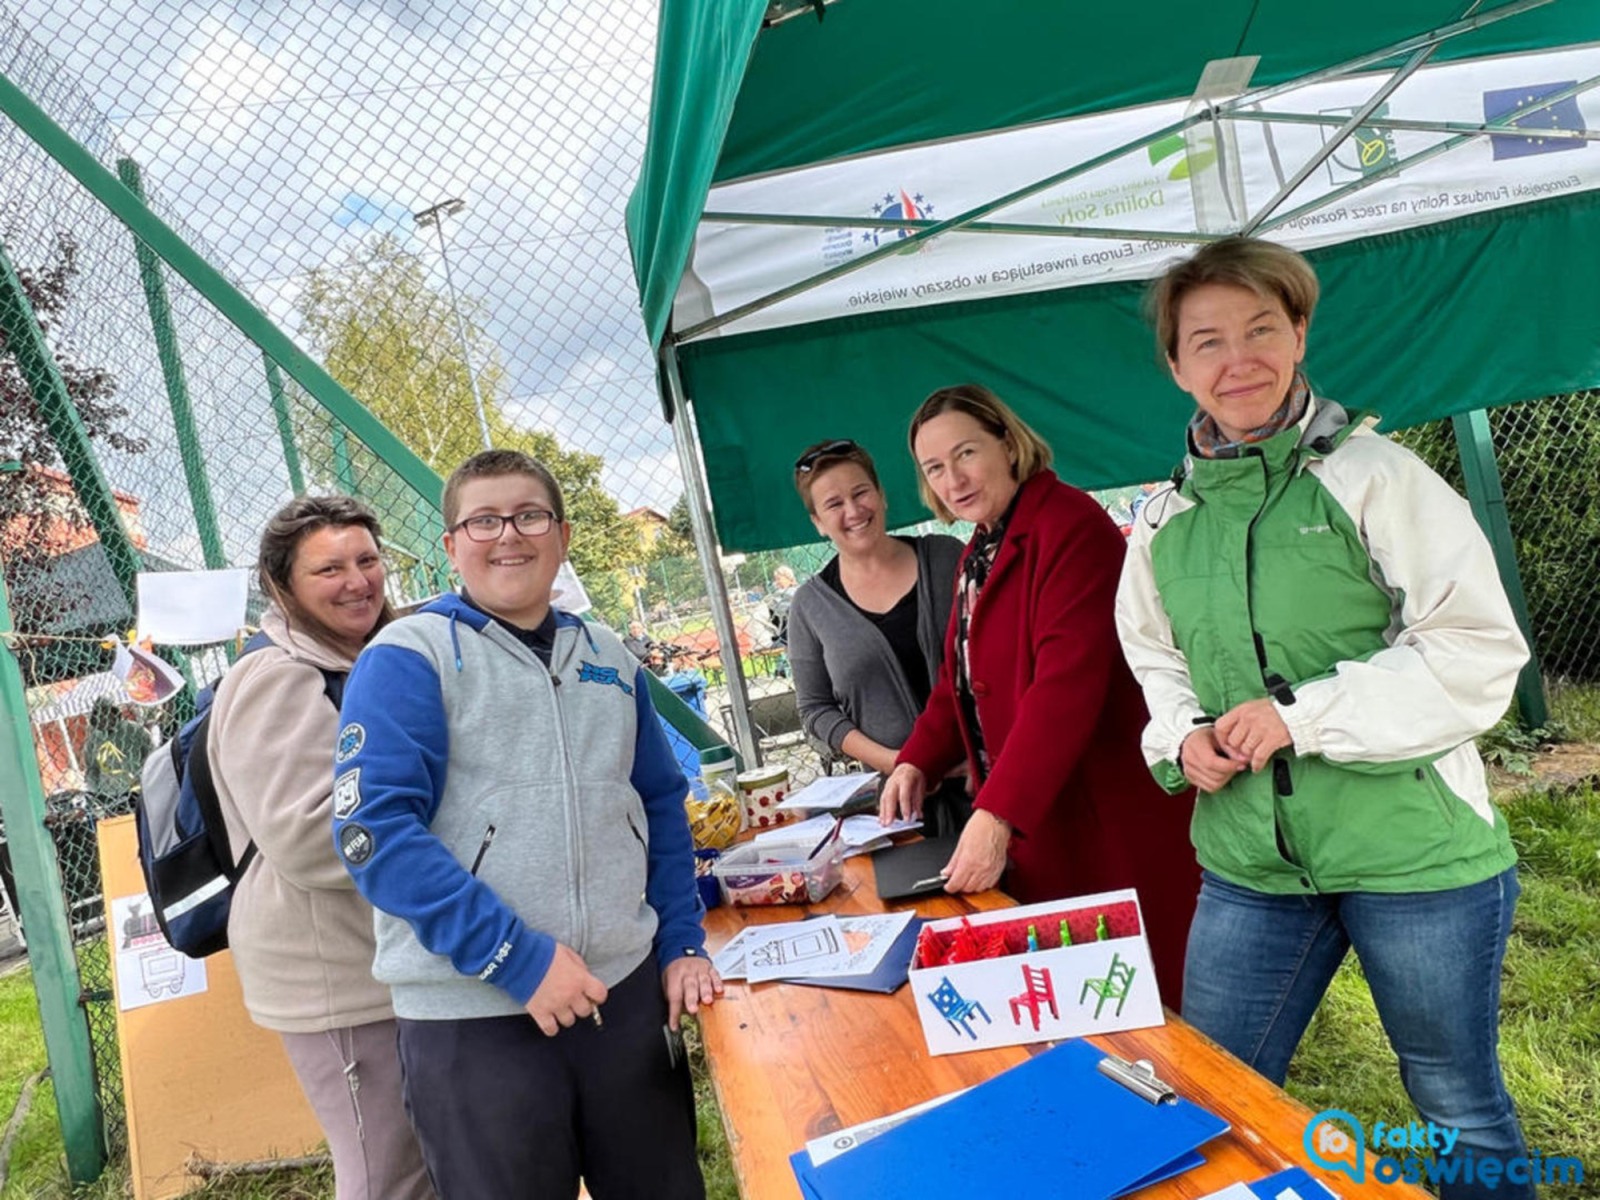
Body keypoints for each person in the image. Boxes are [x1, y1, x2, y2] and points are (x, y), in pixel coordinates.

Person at [1116, 236, 1533, 1200]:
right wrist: (1180, 736)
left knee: (1457, 1106)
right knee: (1213, 1094)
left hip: (1415, 855)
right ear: (1176, 366)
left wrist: (1304, 715)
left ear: (1300, 334)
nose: (1239, 360)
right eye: (1207, 340)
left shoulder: (1380, 478)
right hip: (1250, 865)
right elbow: (1154, 656)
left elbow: (1477, 651)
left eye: (1263, 329)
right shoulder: (1163, 521)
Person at [332, 449, 719, 1200]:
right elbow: (373, 835)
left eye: (529, 515)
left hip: (622, 998)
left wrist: (679, 942)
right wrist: (515, 957)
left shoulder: (608, 656)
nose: (508, 535)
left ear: (563, 535)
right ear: (451, 545)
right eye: (483, 519)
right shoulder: (409, 657)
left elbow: (661, 806)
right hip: (476, 1018)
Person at [879, 386, 1200, 1000]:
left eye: (966, 453)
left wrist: (997, 813)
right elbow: (959, 681)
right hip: (1047, 819)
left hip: (1102, 813)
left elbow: (1064, 687)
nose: (954, 478)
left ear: (1007, 441)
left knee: (1148, 997)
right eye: (934, 468)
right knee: (1080, 1001)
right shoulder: (983, 545)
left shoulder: (1070, 526)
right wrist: (915, 759)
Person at [210, 495, 432, 1200]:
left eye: (367, 560)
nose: (358, 580)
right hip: (336, 978)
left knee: (429, 1159)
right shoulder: (277, 678)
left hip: (387, 957)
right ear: (283, 587)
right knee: (385, 1172)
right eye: (328, 569)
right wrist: (450, 845)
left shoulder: (374, 655)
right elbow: (308, 837)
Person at [785, 438, 969, 835]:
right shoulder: (810, 605)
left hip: (985, 778)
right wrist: (899, 761)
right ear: (817, 521)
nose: (853, 511)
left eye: (860, 492)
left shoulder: (946, 558)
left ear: (882, 495)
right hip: (896, 809)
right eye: (834, 504)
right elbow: (816, 709)